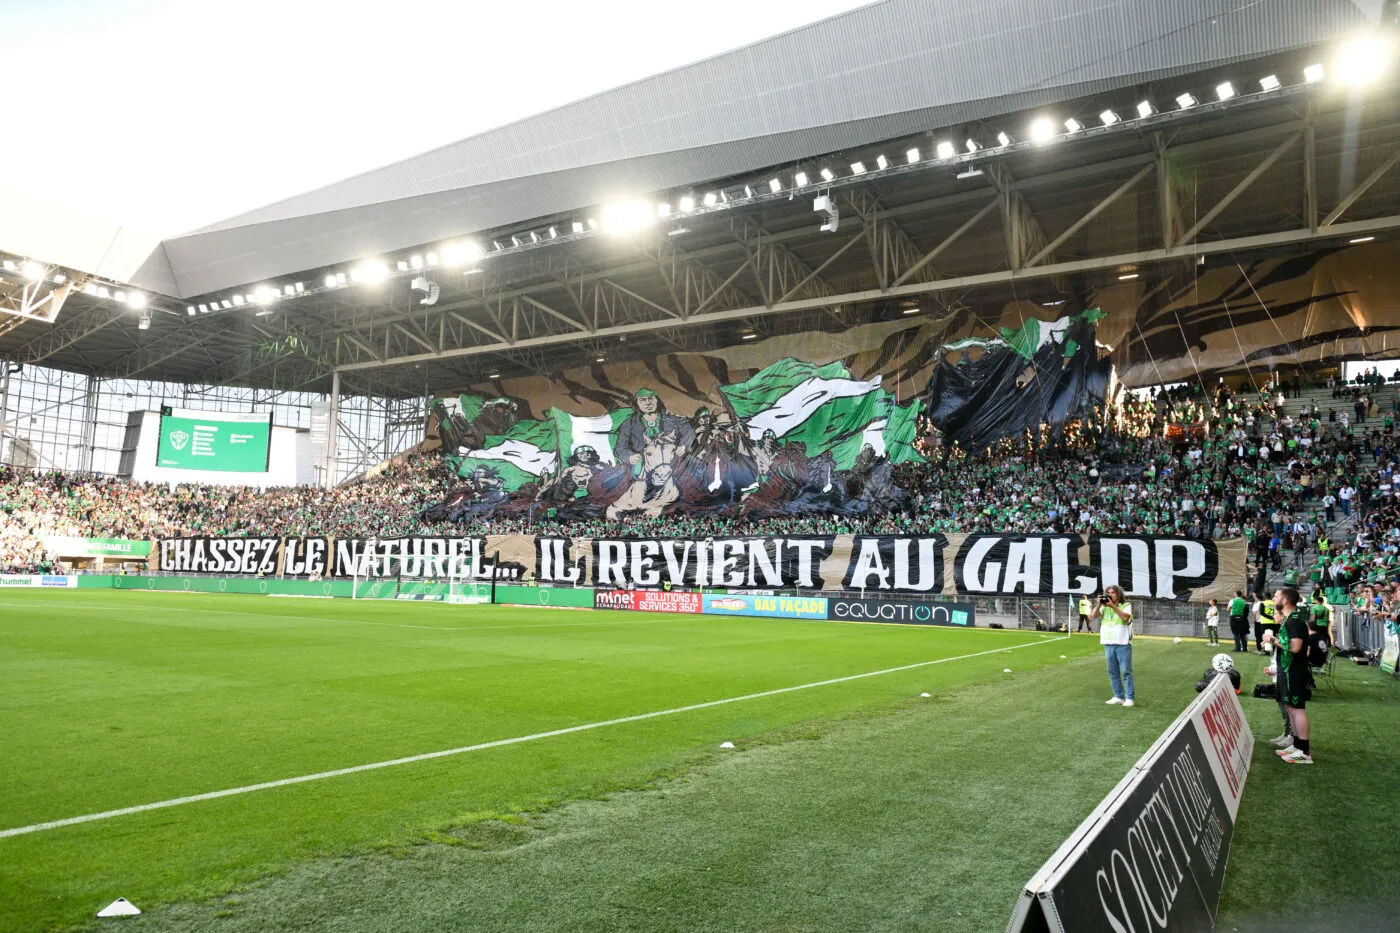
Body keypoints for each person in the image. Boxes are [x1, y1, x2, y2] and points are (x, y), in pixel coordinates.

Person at [1268, 586, 1314, 765]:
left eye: (1277, 596)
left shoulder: (1294, 620)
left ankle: (1304, 751)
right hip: (1287, 669)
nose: (1274, 598)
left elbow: (1295, 647)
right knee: (1290, 707)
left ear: (1285, 600)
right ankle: (1297, 745)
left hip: (1294, 671)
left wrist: (1271, 639)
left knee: (1296, 708)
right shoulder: (1290, 619)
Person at [1090, 585, 1135, 707]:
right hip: (1108, 643)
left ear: (1119, 594)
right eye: (1108, 592)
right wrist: (1099, 604)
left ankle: (1129, 697)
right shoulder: (1104, 607)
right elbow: (1093, 616)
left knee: (1126, 672)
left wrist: (1113, 606)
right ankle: (1118, 696)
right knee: (1113, 672)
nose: (1110, 594)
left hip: (1123, 643)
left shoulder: (1126, 605)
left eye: (1113, 593)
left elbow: (1125, 617)